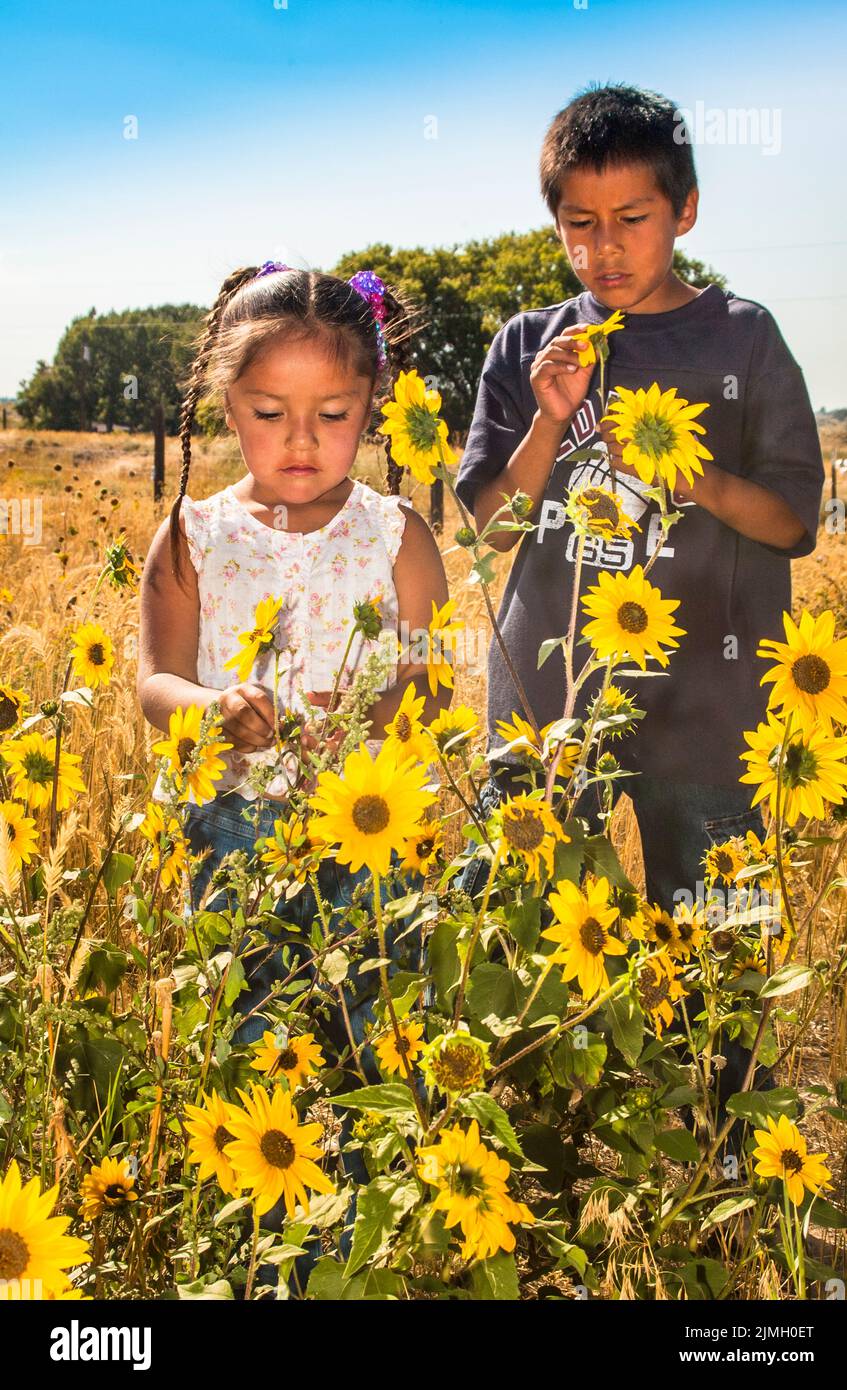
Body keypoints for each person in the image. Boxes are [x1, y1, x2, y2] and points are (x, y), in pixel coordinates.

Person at [454, 85, 825, 1137]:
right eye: (580, 224)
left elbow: (794, 519)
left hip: (709, 717)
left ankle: (719, 1156)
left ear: (687, 211)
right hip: (545, 706)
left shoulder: (745, 340)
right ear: (555, 225)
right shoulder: (532, 345)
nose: (605, 248)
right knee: (518, 937)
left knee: (716, 964)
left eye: (632, 220)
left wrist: (694, 475)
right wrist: (547, 422)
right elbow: (484, 529)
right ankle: (536, 1150)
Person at [136, 263, 449, 1287]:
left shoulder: (399, 534)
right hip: (234, 834)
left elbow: (432, 678)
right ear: (227, 401)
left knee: (377, 1043)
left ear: (373, 408)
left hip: (372, 834)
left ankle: (370, 1240)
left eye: (335, 413)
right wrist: (213, 710)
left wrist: (376, 716)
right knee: (252, 1042)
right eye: (271, 413)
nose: (303, 442)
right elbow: (154, 682)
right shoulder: (190, 538)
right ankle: (266, 1250)